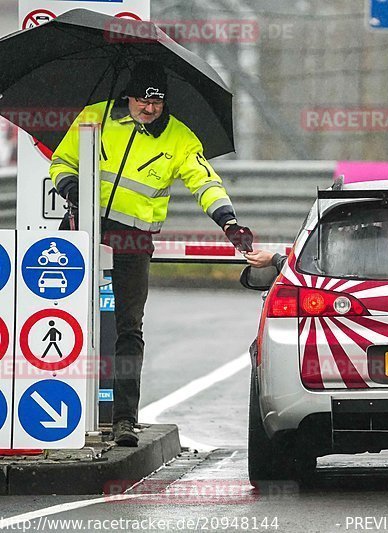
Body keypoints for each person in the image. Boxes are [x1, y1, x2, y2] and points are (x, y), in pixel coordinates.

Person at [49, 61, 253, 447]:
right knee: (63, 317)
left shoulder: (179, 138)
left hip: (133, 241)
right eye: (143, 99)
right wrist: (72, 187)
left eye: (156, 103)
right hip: (82, 228)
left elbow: (204, 181)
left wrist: (228, 221)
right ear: (129, 95)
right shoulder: (96, 117)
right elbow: (61, 162)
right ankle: (58, 409)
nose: (149, 108)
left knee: (129, 327)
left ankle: (125, 419)